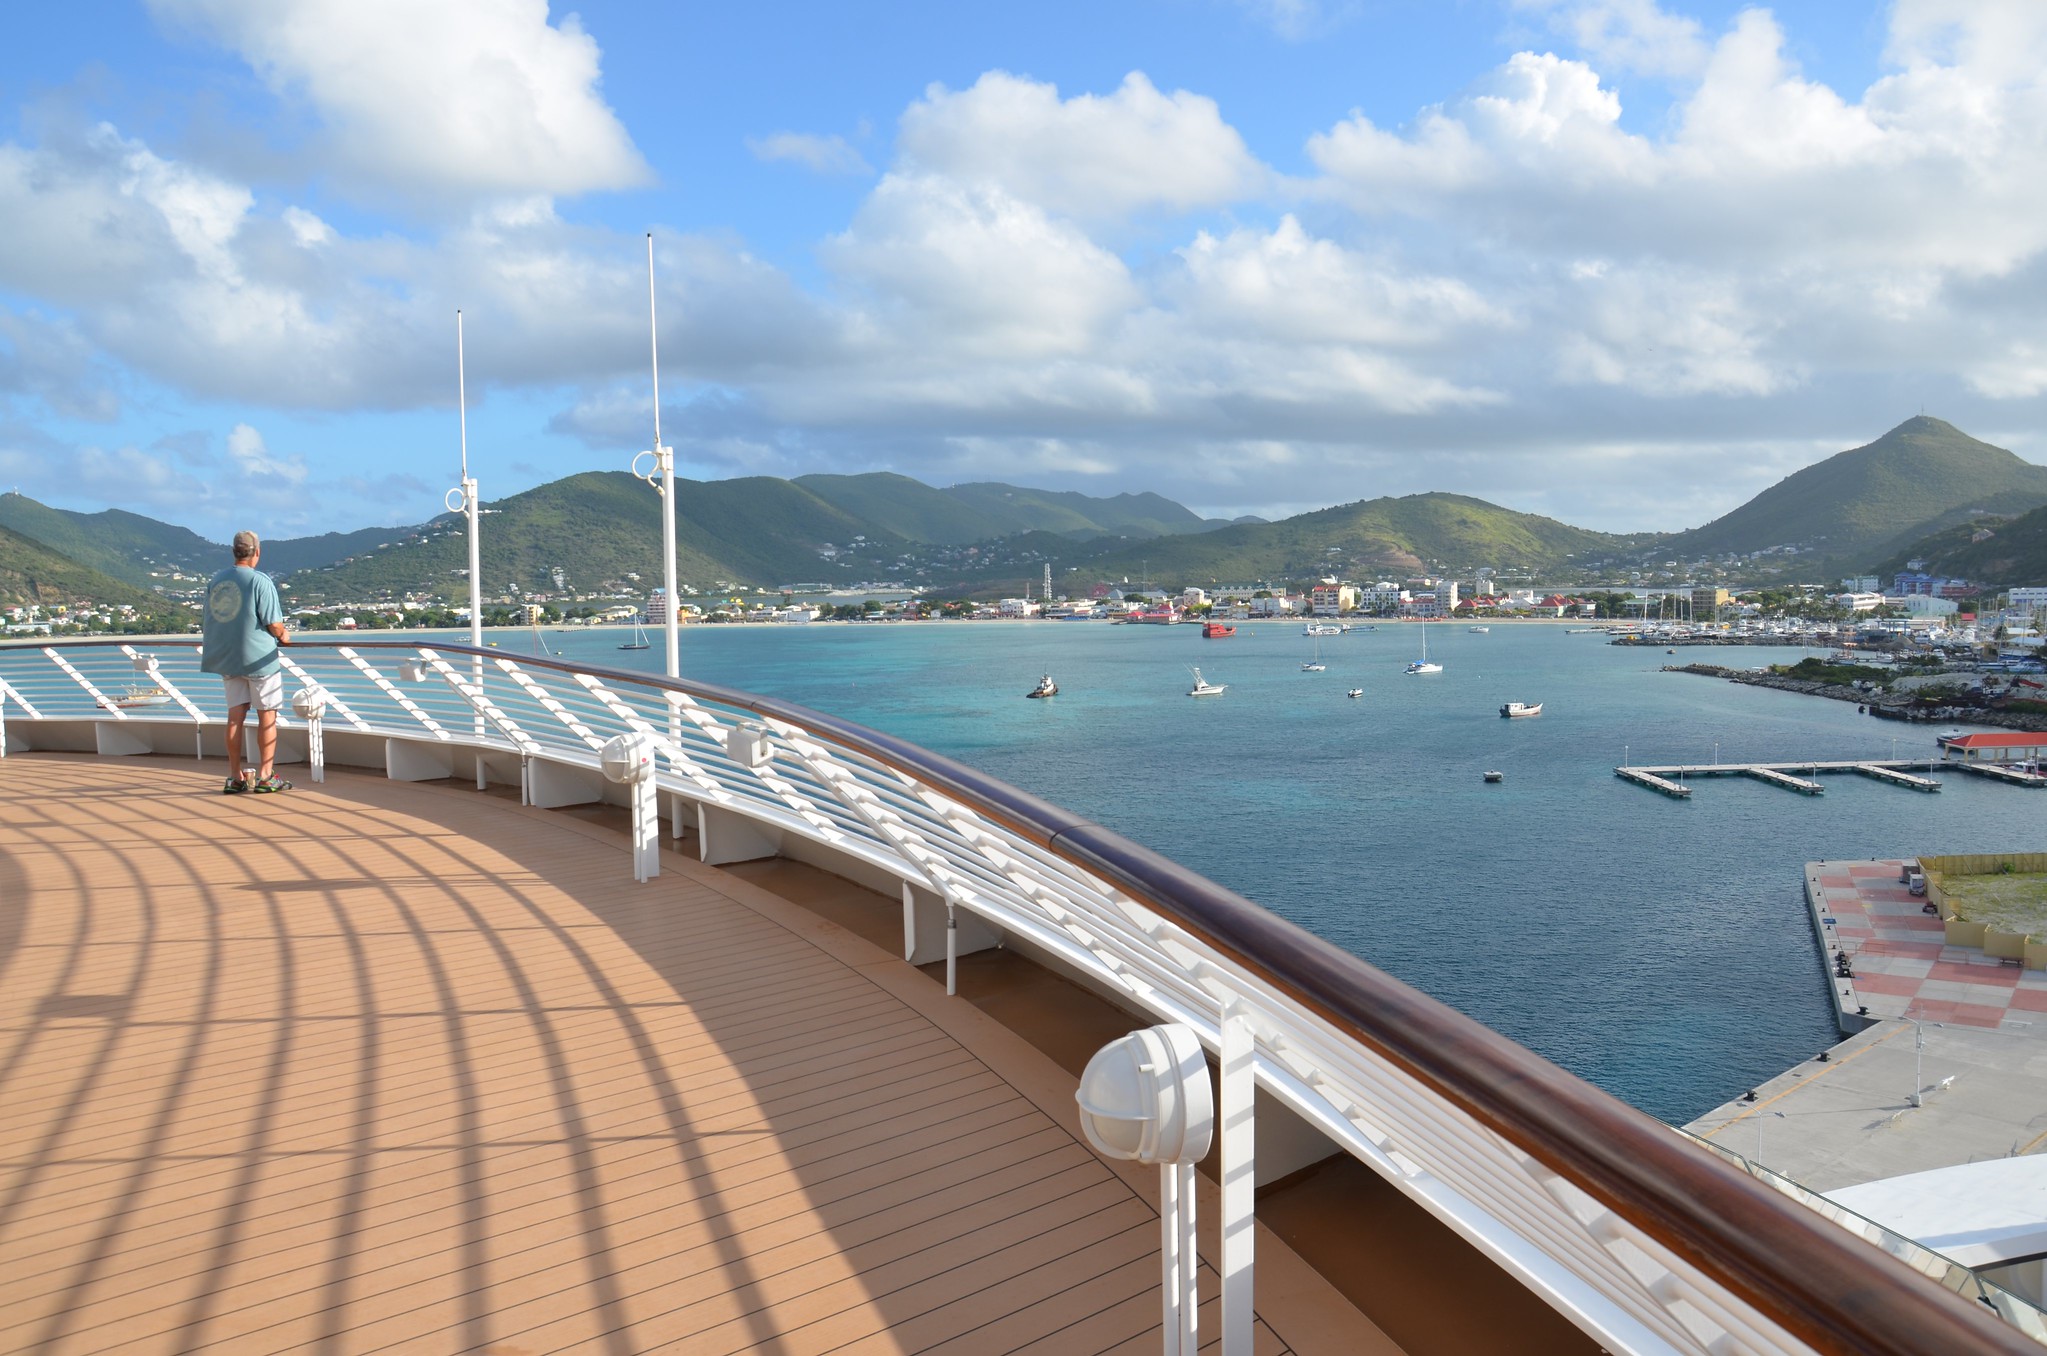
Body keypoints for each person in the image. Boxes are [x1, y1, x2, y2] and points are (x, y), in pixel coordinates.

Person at [201, 530, 293, 794]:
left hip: (228, 659)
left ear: (233, 552)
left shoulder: (217, 580)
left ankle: (235, 776)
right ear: (257, 553)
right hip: (259, 660)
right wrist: (284, 635)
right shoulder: (261, 581)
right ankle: (265, 776)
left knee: (234, 719)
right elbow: (274, 624)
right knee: (267, 717)